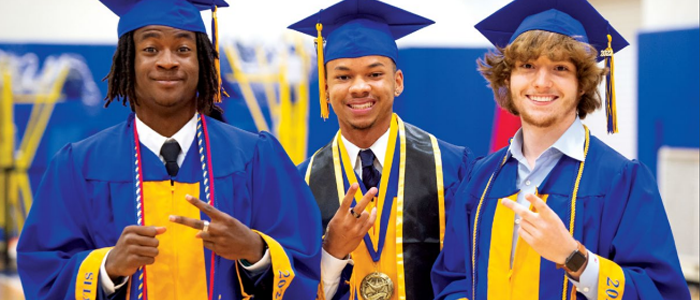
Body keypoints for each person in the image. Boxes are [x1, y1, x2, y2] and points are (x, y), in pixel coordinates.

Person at [16, 0, 322, 299]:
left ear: (202, 61)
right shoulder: (78, 166)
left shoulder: (255, 157)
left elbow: (307, 267)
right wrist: (107, 269)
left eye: (183, 49)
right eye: (150, 49)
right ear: (127, 62)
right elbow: (43, 272)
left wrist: (255, 251)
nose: (167, 61)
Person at [431, 0, 690, 299]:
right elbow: (453, 279)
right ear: (508, 78)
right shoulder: (479, 178)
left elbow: (660, 292)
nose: (542, 82)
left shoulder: (621, 181)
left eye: (559, 68)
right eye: (527, 66)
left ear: (582, 84)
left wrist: (573, 257)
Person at [289, 1, 474, 299]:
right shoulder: (301, 183)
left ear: (397, 82)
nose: (359, 87)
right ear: (325, 88)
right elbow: (290, 289)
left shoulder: (452, 167)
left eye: (374, 74)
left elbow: (470, 274)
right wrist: (332, 252)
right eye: (343, 76)